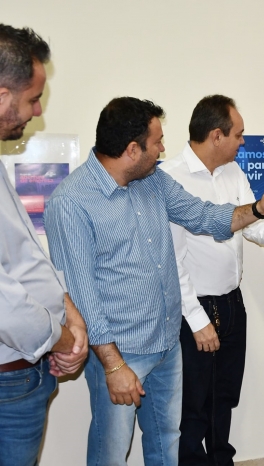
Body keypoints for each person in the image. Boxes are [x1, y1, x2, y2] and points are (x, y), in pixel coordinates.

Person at [44, 96, 264, 466]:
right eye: (157, 142)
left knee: (167, 444)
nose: (162, 149)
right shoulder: (72, 202)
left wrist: (257, 210)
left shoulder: (152, 181)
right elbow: (82, 297)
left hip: (167, 345)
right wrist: (113, 366)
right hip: (121, 352)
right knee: (112, 451)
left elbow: (204, 216)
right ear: (131, 149)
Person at [160, 95, 264, 466]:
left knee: (224, 397)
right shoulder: (171, 178)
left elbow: (249, 223)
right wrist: (198, 321)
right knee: (192, 404)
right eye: (239, 134)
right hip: (194, 311)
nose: (243, 142)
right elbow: (170, 262)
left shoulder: (233, 171)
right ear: (216, 135)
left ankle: (221, 460)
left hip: (232, 303)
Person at [0, 24, 88, 466]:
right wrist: (60, 338)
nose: (37, 111)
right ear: (1, 95)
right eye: (33, 98)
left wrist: (67, 308)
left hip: (20, 379)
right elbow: (4, 302)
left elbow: (25, 255)